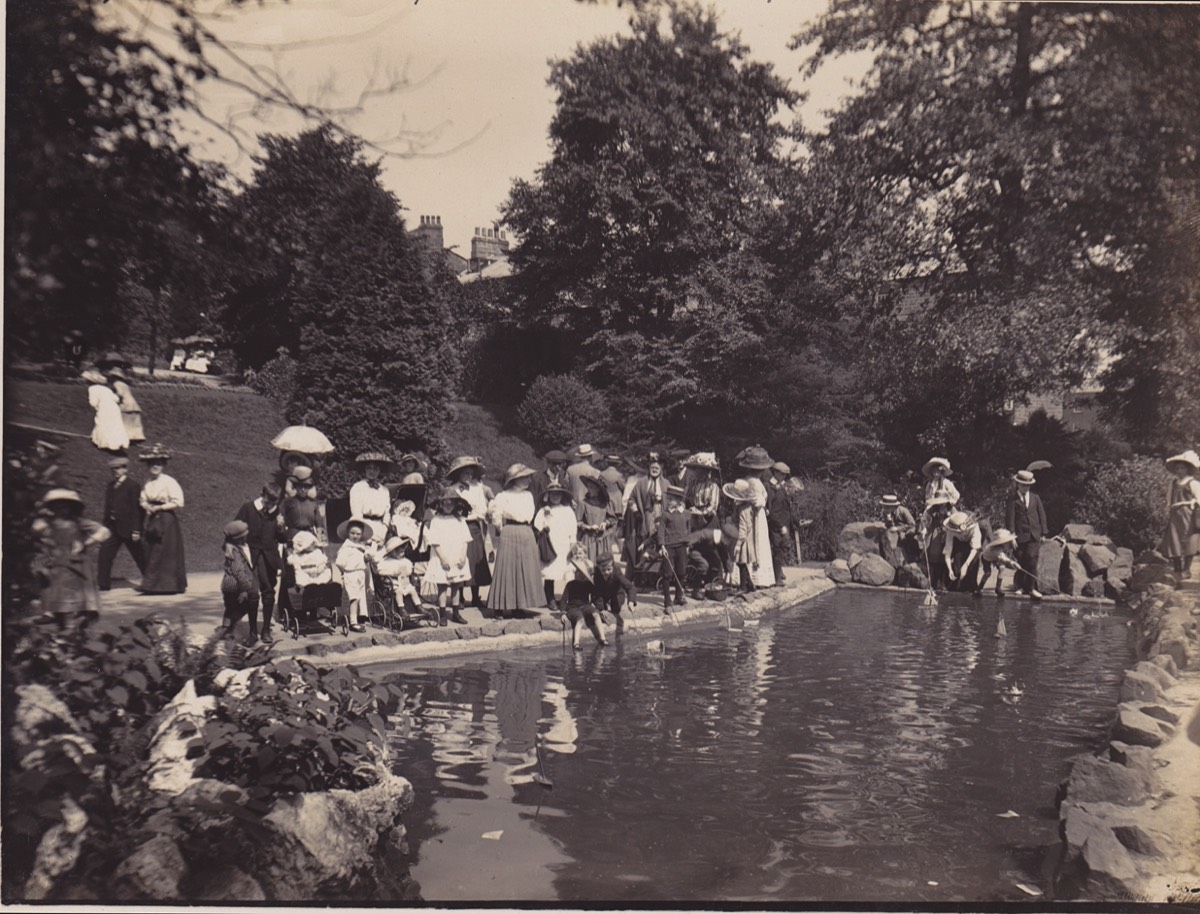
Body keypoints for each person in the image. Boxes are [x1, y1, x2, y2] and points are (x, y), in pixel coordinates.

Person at [31, 488, 110, 629]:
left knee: (76, 593)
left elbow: (104, 531)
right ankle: (55, 616)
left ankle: (78, 622)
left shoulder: (79, 522)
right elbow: (35, 532)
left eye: (65, 505)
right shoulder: (47, 523)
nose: (61, 509)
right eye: (56, 505)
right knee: (54, 591)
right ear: (51, 507)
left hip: (75, 563)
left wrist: (85, 542)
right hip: (55, 562)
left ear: (72, 507)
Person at [486, 464, 544, 619]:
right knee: (506, 568)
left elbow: (530, 514)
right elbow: (496, 516)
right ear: (515, 479)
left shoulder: (528, 495)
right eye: (524, 477)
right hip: (510, 530)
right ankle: (499, 606)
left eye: (528, 477)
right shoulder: (503, 496)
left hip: (526, 531)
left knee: (523, 568)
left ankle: (519, 604)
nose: (528, 480)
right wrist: (502, 529)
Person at [235, 482, 287, 644]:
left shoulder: (276, 513)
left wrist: (280, 527)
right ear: (261, 495)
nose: (269, 506)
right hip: (251, 556)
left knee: (268, 592)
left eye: (273, 503)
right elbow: (235, 529)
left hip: (268, 558)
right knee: (252, 593)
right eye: (267, 501)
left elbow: (282, 539)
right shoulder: (248, 508)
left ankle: (265, 630)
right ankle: (252, 632)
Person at [137, 444, 187, 594]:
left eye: (158, 464)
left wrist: (160, 508)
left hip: (166, 518)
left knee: (166, 551)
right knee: (151, 549)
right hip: (153, 517)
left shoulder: (169, 481)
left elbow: (178, 502)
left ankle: (168, 586)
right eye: (152, 464)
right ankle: (152, 585)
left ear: (163, 465)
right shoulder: (148, 482)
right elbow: (142, 499)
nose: (155, 467)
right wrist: (146, 506)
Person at [446, 456, 494, 609]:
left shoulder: (477, 488)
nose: (469, 476)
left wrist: (474, 514)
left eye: (471, 473)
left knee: (476, 558)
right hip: (456, 525)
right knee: (461, 558)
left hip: (473, 525)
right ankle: (459, 597)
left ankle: (475, 596)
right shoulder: (452, 489)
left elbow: (481, 508)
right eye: (465, 473)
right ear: (458, 474)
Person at [424, 488, 472, 624]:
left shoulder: (460, 520)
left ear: (456, 504)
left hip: (457, 556)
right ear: (440, 504)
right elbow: (435, 541)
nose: (448, 506)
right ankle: (443, 614)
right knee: (443, 586)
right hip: (442, 556)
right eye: (445, 503)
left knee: (456, 584)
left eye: (451, 503)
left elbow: (465, 539)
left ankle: (456, 613)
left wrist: (463, 556)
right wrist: (443, 558)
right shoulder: (436, 520)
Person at [97, 456, 144, 591]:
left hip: (128, 528)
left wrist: (136, 530)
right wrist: (104, 526)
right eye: (113, 469)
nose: (115, 471)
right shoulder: (111, 486)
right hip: (112, 527)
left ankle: (152, 581)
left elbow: (136, 510)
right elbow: (108, 507)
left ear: (125, 469)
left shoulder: (133, 485)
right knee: (105, 554)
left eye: (118, 468)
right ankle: (103, 584)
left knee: (140, 555)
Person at [533, 483, 577, 612]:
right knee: (549, 572)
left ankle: (567, 598)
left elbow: (572, 527)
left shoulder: (568, 510)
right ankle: (550, 598)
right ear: (548, 496)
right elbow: (537, 526)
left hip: (564, 544)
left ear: (562, 495)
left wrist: (572, 542)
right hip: (550, 544)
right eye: (553, 494)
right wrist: (544, 526)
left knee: (567, 571)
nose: (556, 497)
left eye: (558, 494)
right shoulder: (544, 510)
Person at [735, 446, 776, 588]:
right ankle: (755, 578)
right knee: (756, 542)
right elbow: (757, 501)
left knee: (752, 543)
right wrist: (763, 502)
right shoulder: (755, 482)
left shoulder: (747, 480)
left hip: (753, 514)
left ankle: (748, 580)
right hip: (755, 516)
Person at [216, 520, 261, 644]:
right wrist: (244, 590)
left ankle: (226, 631)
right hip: (236, 585)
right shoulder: (234, 552)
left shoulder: (232, 546)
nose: (247, 536)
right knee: (247, 604)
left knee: (231, 608)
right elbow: (239, 572)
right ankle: (228, 632)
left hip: (230, 585)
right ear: (239, 538)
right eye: (244, 535)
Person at [1006, 469, 1048, 599]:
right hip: (1019, 536)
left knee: (1032, 559)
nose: (1025, 488)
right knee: (1022, 560)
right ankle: (1020, 586)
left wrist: (1044, 532)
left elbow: (1042, 515)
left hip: (1034, 534)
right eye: (1023, 485)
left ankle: (1031, 588)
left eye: (1028, 485)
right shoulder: (1012, 499)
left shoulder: (1035, 498)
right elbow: (1010, 519)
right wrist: (1011, 536)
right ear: (1018, 484)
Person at [622, 452, 667, 568]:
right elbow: (631, 499)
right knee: (644, 542)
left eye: (657, 468)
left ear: (661, 469)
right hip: (645, 516)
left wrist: (662, 499)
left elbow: (672, 500)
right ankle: (643, 574)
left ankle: (656, 574)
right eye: (652, 467)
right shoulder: (641, 482)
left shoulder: (666, 484)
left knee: (658, 541)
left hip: (660, 516)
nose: (654, 470)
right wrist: (636, 511)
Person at [1161, 449, 1200, 579]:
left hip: (1188, 515)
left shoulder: (1193, 483)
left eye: (1182, 468)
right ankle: (1178, 569)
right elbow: (1168, 499)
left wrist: (1194, 501)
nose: (1179, 471)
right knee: (1174, 540)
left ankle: (1187, 569)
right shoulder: (1173, 483)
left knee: (1190, 540)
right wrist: (1168, 509)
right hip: (1175, 514)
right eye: (1178, 468)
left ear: (1188, 469)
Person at [335, 518, 379, 632]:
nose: (355, 536)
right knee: (354, 598)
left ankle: (358, 617)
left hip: (360, 574)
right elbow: (339, 562)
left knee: (359, 597)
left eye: (358, 534)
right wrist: (343, 572)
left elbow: (363, 560)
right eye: (352, 533)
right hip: (351, 574)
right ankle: (353, 622)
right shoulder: (347, 548)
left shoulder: (360, 547)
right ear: (348, 533)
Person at [562, 546, 609, 650]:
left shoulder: (588, 584)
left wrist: (601, 609)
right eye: (578, 573)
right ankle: (576, 643)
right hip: (573, 607)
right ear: (575, 573)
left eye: (582, 574)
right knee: (580, 619)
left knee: (596, 614)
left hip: (585, 605)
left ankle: (603, 638)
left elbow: (596, 597)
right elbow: (564, 599)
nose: (580, 575)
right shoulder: (570, 584)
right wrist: (563, 613)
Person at [656, 484, 692, 607]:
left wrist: (687, 545)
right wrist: (662, 546)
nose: (669, 501)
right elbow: (660, 531)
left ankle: (678, 597)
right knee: (667, 573)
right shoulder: (665, 515)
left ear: (678, 500)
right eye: (668, 498)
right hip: (669, 547)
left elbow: (688, 530)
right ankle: (667, 599)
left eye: (672, 499)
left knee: (681, 572)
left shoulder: (686, 514)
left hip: (682, 546)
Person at [349, 451, 395, 543]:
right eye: (369, 468)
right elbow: (356, 512)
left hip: (380, 527)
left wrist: (384, 527)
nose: (372, 471)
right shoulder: (358, 487)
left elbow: (387, 512)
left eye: (375, 468)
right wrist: (362, 531)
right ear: (365, 469)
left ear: (379, 471)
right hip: (363, 526)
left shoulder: (384, 490)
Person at [723, 479, 759, 594]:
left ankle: (743, 587)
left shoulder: (744, 509)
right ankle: (750, 584)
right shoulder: (740, 506)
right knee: (740, 561)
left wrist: (739, 543)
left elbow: (744, 527)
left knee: (741, 561)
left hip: (743, 539)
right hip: (740, 536)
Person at [83, 369, 129, 454]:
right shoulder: (106, 389)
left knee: (102, 424)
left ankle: (104, 443)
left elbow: (93, 402)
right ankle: (116, 443)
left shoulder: (92, 388)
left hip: (104, 408)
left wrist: (95, 406)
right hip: (114, 408)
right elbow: (116, 399)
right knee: (114, 425)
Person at [281, 465, 326, 544]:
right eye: (300, 486)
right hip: (292, 536)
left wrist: (319, 538)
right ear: (295, 487)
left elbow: (319, 523)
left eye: (306, 487)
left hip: (308, 535)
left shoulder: (313, 503)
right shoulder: (288, 502)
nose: (303, 489)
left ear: (309, 488)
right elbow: (281, 519)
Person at [578, 475, 618, 564]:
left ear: (598, 489)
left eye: (592, 487)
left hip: (602, 540)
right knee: (589, 564)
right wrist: (588, 527)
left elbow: (613, 519)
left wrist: (605, 523)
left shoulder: (605, 504)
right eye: (588, 487)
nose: (589, 489)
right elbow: (577, 522)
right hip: (589, 539)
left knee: (603, 565)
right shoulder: (583, 503)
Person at [767, 461, 794, 586]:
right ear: (776, 473)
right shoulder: (776, 491)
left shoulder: (782, 490)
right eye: (782, 474)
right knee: (777, 550)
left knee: (781, 549)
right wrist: (781, 526)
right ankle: (777, 578)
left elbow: (787, 511)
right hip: (776, 525)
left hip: (781, 524)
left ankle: (778, 573)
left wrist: (797, 522)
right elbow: (774, 512)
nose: (784, 478)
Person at [592, 553, 637, 628]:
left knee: (616, 609)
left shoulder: (617, 572)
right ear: (599, 568)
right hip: (604, 592)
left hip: (617, 592)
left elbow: (630, 587)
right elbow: (597, 592)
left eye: (609, 569)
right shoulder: (597, 574)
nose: (606, 572)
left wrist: (631, 602)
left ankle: (612, 604)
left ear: (613, 567)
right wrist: (601, 609)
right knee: (602, 611)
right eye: (603, 570)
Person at [942, 511, 983, 593]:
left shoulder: (975, 528)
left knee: (972, 565)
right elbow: (948, 550)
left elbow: (975, 548)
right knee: (957, 568)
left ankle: (972, 586)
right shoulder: (951, 530)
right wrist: (950, 569)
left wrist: (966, 565)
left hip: (972, 545)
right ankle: (957, 587)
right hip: (959, 543)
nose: (956, 532)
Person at [105, 366, 145, 444]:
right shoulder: (124, 384)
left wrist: (112, 398)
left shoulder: (117, 384)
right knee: (133, 423)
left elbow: (120, 394)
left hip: (125, 404)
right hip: (133, 404)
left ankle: (122, 438)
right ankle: (133, 438)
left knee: (123, 422)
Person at [978, 528, 1021, 597]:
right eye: (1007, 541)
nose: (1009, 542)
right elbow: (1003, 558)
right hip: (986, 558)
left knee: (1002, 568)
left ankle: (998, 588)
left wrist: (1013, 539)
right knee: (987, 573)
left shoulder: (1004, 545)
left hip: (996, 558)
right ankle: (979, 588)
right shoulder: (996, 550)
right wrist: (1013, 563)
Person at [683, 452, 721, 531]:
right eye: (697, 470)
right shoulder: (692, 483)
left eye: (703, 470)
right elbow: (685, 498)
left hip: (708, 519)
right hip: (694, 519)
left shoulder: (713, 486)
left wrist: (701, 512)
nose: (699, 472)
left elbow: (713, 507)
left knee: (708, 540)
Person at [878, 494, 918, 566]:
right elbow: (889, 526)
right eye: (884, 506)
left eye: (887, 507)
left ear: (893, 506)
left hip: (908, 529)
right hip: (897, 531)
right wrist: (889, 520)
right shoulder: (887, 513)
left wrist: (897, 528)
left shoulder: (903, 510)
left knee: (907, 536)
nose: (885, 508)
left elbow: (912, 524)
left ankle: (911, 557)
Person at [565, 444, 602, 519]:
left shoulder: (570, 469)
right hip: (589, 506)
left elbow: (566, 486)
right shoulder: (595, 472)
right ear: (590, 457)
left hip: (573, 504)